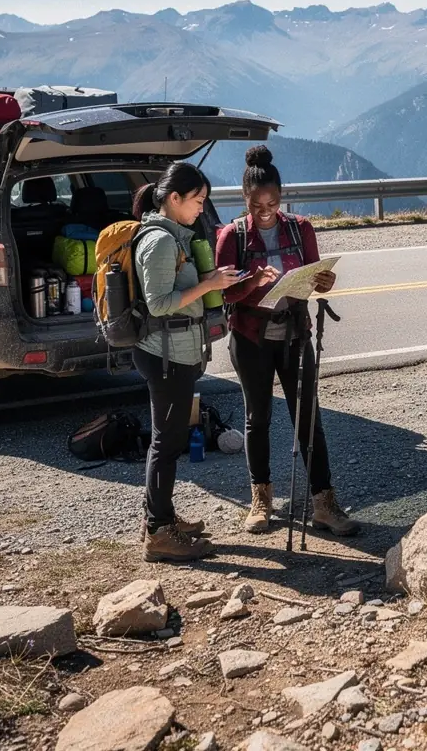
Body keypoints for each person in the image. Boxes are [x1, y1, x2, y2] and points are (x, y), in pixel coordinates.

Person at [215, 145, 360, 537]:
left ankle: (324, 505)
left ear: (282, 197)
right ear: (245, 199)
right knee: (257, 419)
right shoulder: (233, 236)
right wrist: (251, 283)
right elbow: (222, 295)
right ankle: (260, 501)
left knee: (308, 418)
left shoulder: (300, 229)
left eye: (273, 202)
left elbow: (313, 277)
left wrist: (322, 282)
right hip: (250, 338)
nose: (266, 210)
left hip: (294, 333)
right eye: (259, 203)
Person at [132, 162, 243, 563]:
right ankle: (159, 533)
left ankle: (160, 518)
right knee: (168, 441)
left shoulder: (171, 236)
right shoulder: (160, 242)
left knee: (168, 438)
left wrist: (215, 284)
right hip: (166, 355)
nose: (201, 208)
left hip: (172, 352)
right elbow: (158, 304)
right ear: (174, 199)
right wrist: (209, 285)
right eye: (197, 200)